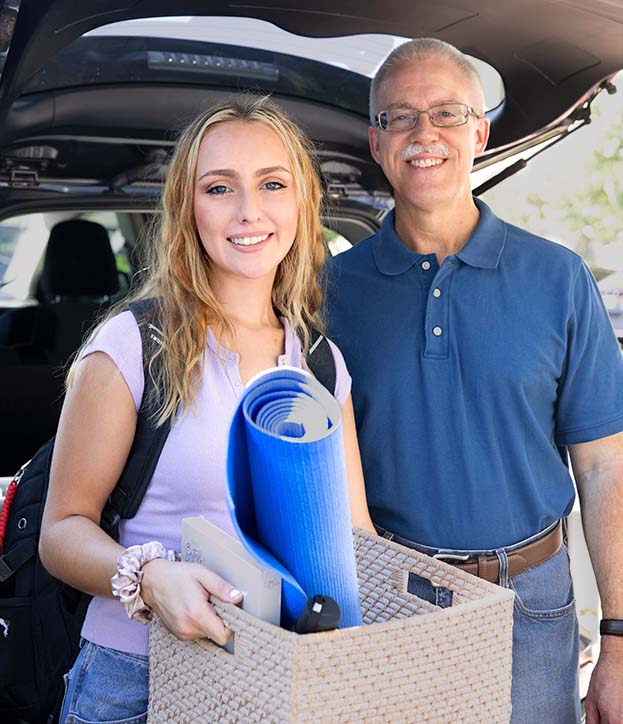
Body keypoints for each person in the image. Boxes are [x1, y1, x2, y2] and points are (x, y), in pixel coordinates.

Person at [39, 95, 376, 723]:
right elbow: (60, 534)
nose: (249, 212)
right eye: (220, 188)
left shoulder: (323, 365)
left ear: (301, 201)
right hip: (135, 680)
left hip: (278, 678)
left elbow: (354, 536)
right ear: (188, 209)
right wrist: (149, 577)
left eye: (272, 184)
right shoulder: (134, 344)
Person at [324, 38, 623, 724]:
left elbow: (605, 466)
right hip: (389, 602)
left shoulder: (557, 278)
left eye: (446, 114)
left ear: (479, 132)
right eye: (398, 117)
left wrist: (615, 637)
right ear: (375, 142)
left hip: (532, 605)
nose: (422, 134)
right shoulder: (327, 292)